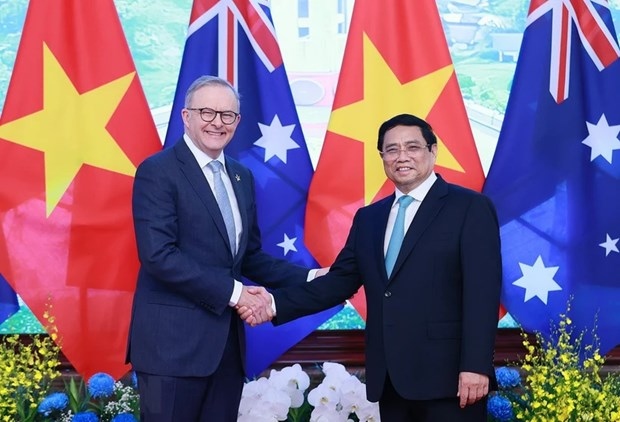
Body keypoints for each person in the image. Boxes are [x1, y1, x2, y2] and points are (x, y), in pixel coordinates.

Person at [242, 113, 502, 421]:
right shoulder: (370, 219)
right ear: (382, 157)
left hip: (451, 380)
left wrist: (475, 365)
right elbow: (338, 283)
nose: (401, 156)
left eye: (412, 147)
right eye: (391, 149)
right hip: (390, 380)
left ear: (433, 151)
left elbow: (482, 294)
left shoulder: (470, 208)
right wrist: (273, 304)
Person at [126, 75, 319, 421]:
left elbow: (249, 257)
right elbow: (159, 255)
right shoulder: (158, 172)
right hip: (171, 350)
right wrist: (237, 294)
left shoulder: (241, 176)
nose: (217, 122)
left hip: (226, 351)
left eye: (227, 115)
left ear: (237, 122)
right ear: (186, 116)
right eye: (207, 112)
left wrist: (314, 277)